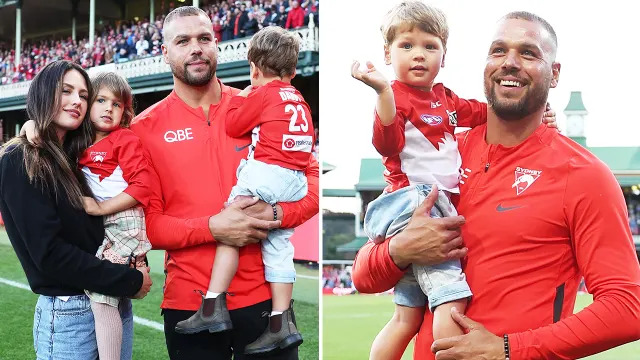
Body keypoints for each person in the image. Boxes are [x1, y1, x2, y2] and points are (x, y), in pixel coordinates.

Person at [351, 11, 640, 360]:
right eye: (498, 51)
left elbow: (628, 307)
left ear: (555, 74)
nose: (510, 63)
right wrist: (399, 250)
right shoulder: (442, 157)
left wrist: (508, 349)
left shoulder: (583, 174)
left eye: (529, 53)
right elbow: (364, 277)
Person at [350, 3, 556, 358]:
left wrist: (540, 114)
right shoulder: (395, 98)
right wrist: (381, 91)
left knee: (406, 316)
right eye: (407, 46)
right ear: (387, 53)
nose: (419, 55)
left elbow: (487, 111)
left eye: (430, 46)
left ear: (444, 56)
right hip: (417, 202)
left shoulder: (445, 98)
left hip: (428, 202)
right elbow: (385, 140)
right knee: (451, 300)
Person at [129, 6, 318, 359]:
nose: (195, 48)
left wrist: (276, 213)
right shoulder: (143, 129)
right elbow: (148, 228)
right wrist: (214, 227)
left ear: (217, 44)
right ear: (164, 52)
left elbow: (312, 184)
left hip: (264, 301)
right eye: (182, 41)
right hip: (189, 302)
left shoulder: (261, 103)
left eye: (204, 38)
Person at [173, 26, 314, 355]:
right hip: (295, 179)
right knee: (278, 246)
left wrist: (245, 98)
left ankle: (212, 307)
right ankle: (281, 321)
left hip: (267, 171)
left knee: (230, 226)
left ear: (254, 68)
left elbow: (235, 124)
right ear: (293, 70)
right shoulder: (300, 100)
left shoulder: (262, 94)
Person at [0, 60, 152, 360]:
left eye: (84, 95)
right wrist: (129, 280)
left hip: (111, 298)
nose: (77, 101)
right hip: (70, 309)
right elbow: (49, 255)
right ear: (43, 93)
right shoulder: (21, 158)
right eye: (66, 91)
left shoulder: (72, 153)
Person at [79, 72, 153, 360]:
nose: (108, 108)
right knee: (111, 295)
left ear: (125, 112)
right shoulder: (81, 141)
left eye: (117, 104)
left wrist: (100, 208)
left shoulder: (123, 139)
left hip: (125, 220)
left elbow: (143, 187)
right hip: (108, 224)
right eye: (101, 100)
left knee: (102, 293)